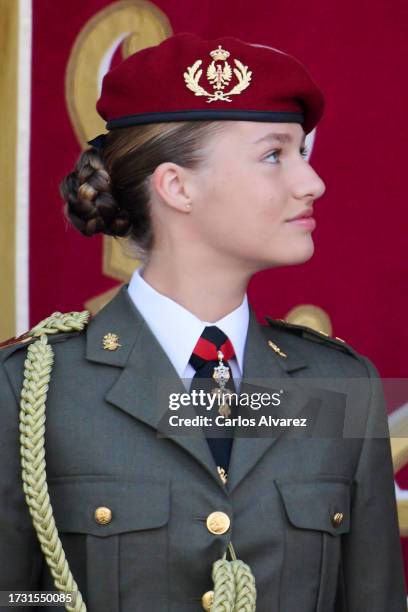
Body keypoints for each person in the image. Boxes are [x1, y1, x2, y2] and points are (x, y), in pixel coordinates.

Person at [0, 32, 406, 612]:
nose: (311, 183)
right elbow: (12, 597)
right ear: (177, 186)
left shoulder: (338, 385)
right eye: (274, 155)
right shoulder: (29, 389)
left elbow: (373, 600)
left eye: (303, 155)